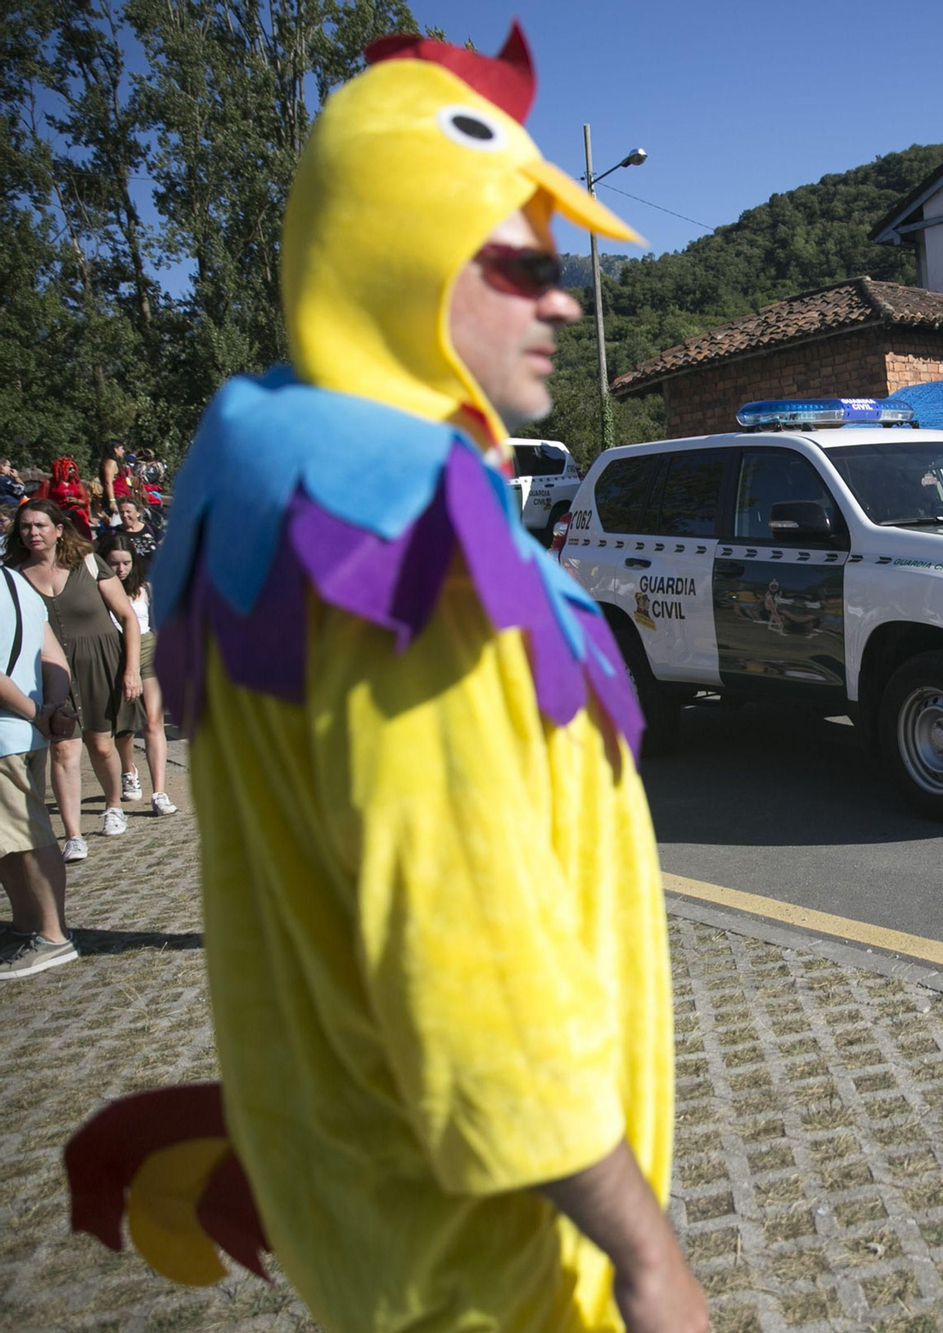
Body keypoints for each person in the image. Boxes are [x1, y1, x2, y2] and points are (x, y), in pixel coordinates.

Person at [68, 23, 708, 1333]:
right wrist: (646, 1259)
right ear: (406, 252)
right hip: (499, 1268)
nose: (564, 298)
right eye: (524, 261)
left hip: (380, 1221)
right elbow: (468, 970)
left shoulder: (267, 492)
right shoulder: (393, 540)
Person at [6, 500, 142, 861]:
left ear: (59, 529)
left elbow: (128, 617)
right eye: (25, 527)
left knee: (101, 745)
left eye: (40, 525)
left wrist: (131, 670)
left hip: (99, 664)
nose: (32, 533)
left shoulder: (89, 563)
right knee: (63, 747)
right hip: (50, 671)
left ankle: (113, 805)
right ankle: (72, 834)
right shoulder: (13, 575)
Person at [0, 556, 76, 979]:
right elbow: (55, 659)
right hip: (28, 729)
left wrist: (35, 712)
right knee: (12, 838)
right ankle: (29, 925)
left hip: (10, 728)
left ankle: (52, 935)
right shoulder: (17, 582)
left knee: (29, 835)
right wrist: (52, 708)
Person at [100, 538, 175, 816]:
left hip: (146, 649)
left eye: (126, 563)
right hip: (113, 652)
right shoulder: (98, 589)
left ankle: (159, 792)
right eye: (114, 563)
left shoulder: (145, 589)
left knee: (154, 722)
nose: (120, 569)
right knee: (124, 726)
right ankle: (128, 769)